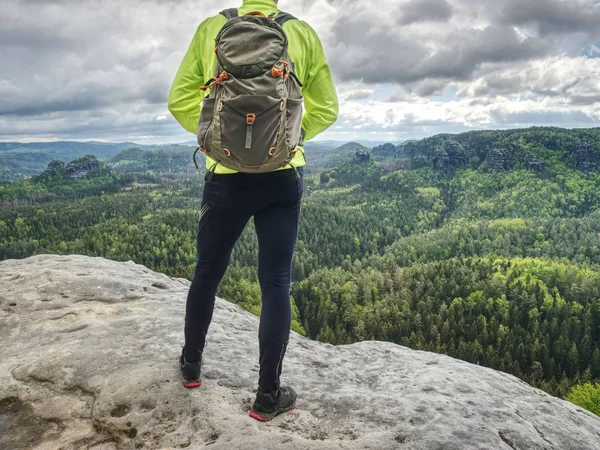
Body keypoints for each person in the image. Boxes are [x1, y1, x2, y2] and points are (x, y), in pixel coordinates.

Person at [168, 0, 338, 421]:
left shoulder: (213, 27)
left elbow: (179, 99)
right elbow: (327, 108)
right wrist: (288, 139)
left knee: (207, 270)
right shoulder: (301, 33)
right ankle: (267, 396)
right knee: (276, 282)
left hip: (223, 174)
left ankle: (191, 367)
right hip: (282, 175)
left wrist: (215, 137)